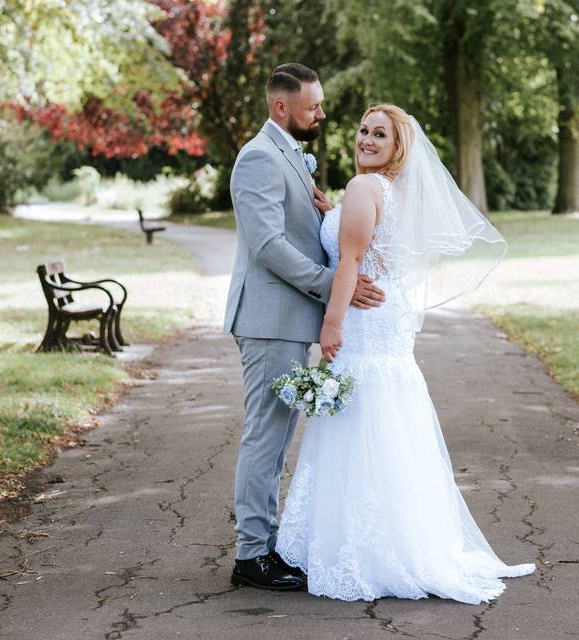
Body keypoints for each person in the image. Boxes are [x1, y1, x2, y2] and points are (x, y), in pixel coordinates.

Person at [274, 104, 536, 603]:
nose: (367, 140)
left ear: (398, 149)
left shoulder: (363, 188)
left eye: (380, 135)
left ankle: (360, 548)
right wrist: (331, 212)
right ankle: (401, 541)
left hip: (363, 322)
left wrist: (331, 326)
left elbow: (350, 260)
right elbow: (365, 244)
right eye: (363, 131)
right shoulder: (387, 192)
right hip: (387, 321)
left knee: (360, 417)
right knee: (388, 417)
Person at [224, 63, 385, 591]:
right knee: (266, 439)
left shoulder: (289, 155)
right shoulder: (258, 158)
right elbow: (268, 246)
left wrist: (327, 214)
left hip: (291, 319)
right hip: (271, 320)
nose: (321, 113)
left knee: (278, 438)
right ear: (281, 107)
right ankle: (251, 556)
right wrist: (330, 283)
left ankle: (264, 547)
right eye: (313, 106)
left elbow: (300, 229)